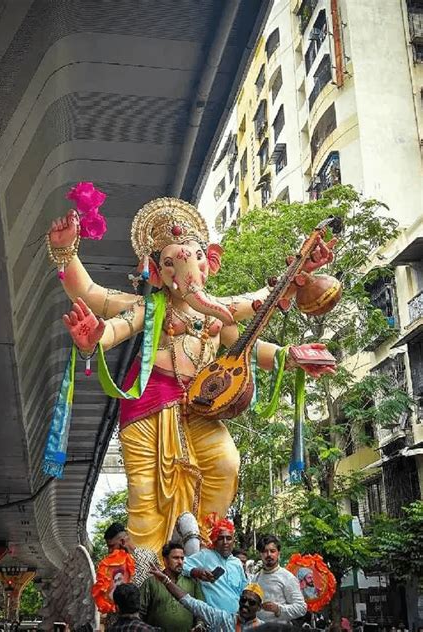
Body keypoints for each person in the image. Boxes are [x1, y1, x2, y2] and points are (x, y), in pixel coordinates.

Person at [49, 195, 336, 555]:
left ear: (209, 260)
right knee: (145, 497)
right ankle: (143, 581)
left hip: (200, 407)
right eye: (170, 263)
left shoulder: (218, 319)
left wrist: (292, 357)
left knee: (225, 464)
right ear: (156, 272)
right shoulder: (149, 308)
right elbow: (94, 298)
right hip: (147, 409)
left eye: (194, 257)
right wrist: (67, 257)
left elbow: (251, 348)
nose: (184, 271)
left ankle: (199, 553)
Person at [150, 564, 266, 632]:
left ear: (259, 607)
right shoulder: (225, 620)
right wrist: (166, 581)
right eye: (243, 600)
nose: (245, 604)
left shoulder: (265, 628)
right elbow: (191, 603)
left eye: (251, 602)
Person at [182, 517, 247, 614]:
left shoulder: (237, 563)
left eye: (228, 538)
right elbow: (181, 564)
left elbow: (243, 590)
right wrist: (196, 572)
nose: (225, 542)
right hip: (213, 619)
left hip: (236, 621)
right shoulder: (205, 555)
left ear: (233, 541)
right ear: (215, 540)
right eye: (221, 538)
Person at [140, 541, 205, 631]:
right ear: (165, 561)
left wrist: (199, 624)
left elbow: (201, 609)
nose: (180, 562)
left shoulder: (192, 582)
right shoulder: (151, 583)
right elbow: (139, 612)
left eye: (182, 558)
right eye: (176, 558)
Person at [252, 534, 306, 621]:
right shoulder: (255, 578)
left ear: (278, 553)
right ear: (260, 555)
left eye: (272, 551)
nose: (269, 554)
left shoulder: (287, 578)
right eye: (265, 551)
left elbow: (301, 608)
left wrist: (278, 609)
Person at [104, 522, 160, 587]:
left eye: (111, 546)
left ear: (122, 542)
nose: (109, 551)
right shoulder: (115, 567)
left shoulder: (150, 555)